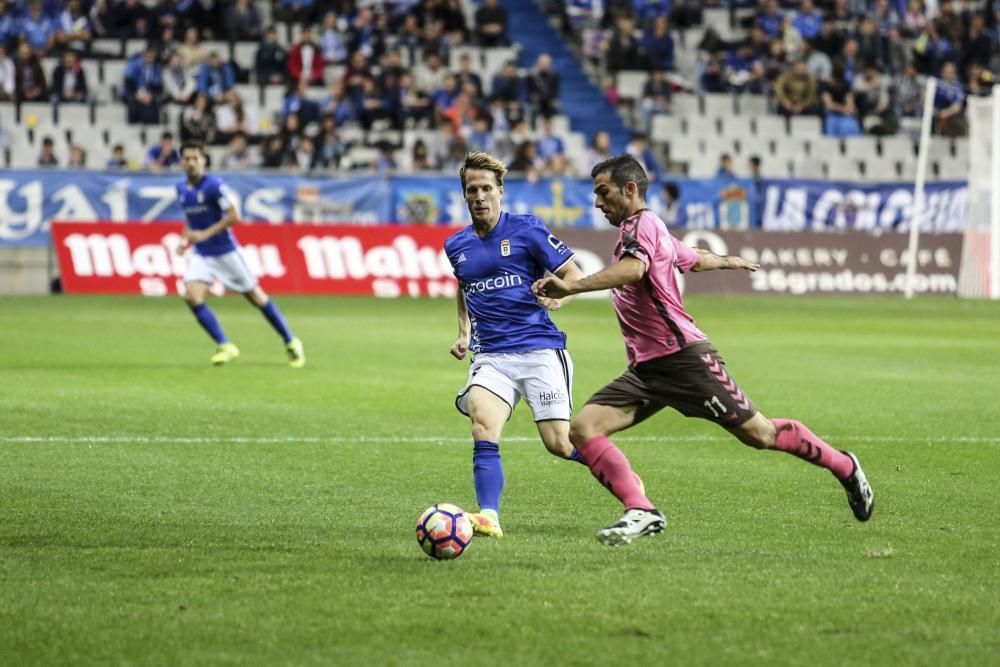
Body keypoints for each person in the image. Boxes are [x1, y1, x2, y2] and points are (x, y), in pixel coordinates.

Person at [532, 154, 874, 546]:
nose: (597, 202)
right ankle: (641, 510)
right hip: (648, 369)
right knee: (583, 429)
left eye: (602, 192)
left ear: (630, 189)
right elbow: (693, 257)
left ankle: (845, 466)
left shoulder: (642, 226)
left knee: (759, 435)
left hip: (683, 359)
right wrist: (728, 260)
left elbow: (635, 270)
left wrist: (572, 286)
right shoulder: (645, 230)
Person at [445, 151, 644, 538]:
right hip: (492, 356)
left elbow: (573, 273)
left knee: (558, 442)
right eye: (472, 190)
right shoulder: (456, 245)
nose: (480, 196)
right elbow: (463, 284)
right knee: (483, 425)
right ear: (465, 196)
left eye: (487, 188)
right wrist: (463, 332)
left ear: (501, 191)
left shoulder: (527, 231)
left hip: (539, 350)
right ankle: (489, 516)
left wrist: (560, 297)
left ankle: (624, 480)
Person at [174, 142, 305, 368]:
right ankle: (225, 345)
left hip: (226, 252)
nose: (192, 163)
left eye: (196, 158)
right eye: (187, 158)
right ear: (181, 162)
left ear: (204, 160)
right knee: (191, 297)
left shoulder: (214, 186)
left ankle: (291, 341)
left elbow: (234, 216)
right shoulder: (181, 188)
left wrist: (204, 234)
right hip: (202, 255)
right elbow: (190, 218)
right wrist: (185, 239)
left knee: (256, 297)